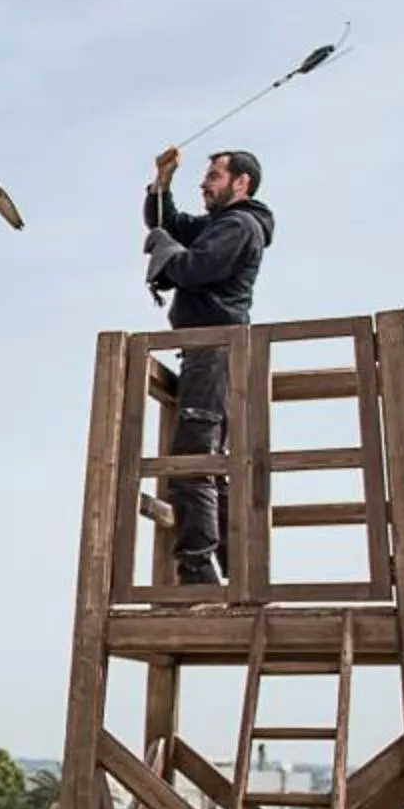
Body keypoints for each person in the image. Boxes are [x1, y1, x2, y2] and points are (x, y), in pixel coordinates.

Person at [142, 147, 277, 587]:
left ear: (241, 183)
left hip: (214, 349)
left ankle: (198, 575)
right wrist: (162, 183)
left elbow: (197, 268)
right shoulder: (222, 224)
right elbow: (171, 224)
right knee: (211, 465)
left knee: (193, 462)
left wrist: (168, 256)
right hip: (213, 352)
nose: (205, 183)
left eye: (214, 176)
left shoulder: (239, 225)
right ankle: (234, 576)